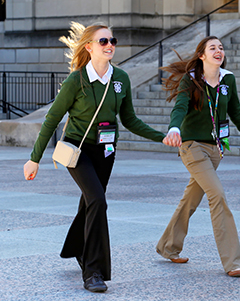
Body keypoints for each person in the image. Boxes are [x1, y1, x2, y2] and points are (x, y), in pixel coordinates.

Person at [23, 22, 168, 292]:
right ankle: (93, 272)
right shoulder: (76, 80)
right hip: (77, 150)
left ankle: (76, 248)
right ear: (89, 47)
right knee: (98, 201)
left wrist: (162, 137)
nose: (110, 45)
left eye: (112, 40)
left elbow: (130, 120)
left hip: (106, 150)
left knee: (90, 202)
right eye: (103, 41)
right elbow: (52, 119)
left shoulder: (120, 78)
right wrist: (34, 158)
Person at [157, 36, 240, 277]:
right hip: (192, 146)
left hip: (215, 149)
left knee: (191, 199)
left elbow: (235, 111)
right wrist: (174, 128)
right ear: (202, 56)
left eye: (221, 48)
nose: (219, 51)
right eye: (212, 48)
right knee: (217, 195)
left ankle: (168, 246)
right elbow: (180, 106)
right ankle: (233, 261)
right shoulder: (191, 79)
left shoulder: (228, 80)